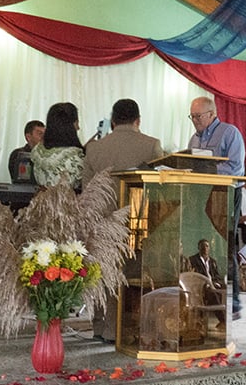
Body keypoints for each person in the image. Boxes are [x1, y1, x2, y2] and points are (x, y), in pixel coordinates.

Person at [82, 98, 163, 343]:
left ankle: (100, 327)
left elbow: (87, 191)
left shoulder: (94, 148)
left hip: (102, 220)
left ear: (113, 121)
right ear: (138, 120)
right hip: (137, 219)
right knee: (130, 275)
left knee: (101, 273)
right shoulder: (152, 145)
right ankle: (124, 328)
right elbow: (159, 189)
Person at [187, 96, 245, 320]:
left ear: (212, 114)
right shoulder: (194, 139)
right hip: (202, 195)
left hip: (227, 195)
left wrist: (208, 171)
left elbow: (236, 168)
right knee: (204, 245)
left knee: (225, 247)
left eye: (198, 116)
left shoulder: (230, 133)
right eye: (192, 116)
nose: (195, 120)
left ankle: (234, 302)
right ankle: (207, 297)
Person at [30, 102, 84, 190]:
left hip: (42, 202)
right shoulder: (74, 157)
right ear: (70, 126)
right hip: (67, 202)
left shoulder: (37, 152)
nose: (78, 128)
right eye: (77, 123)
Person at [188, 239, 226, 328]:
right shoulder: (193, 260)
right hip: (201, 286)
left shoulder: (212, 261)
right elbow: (193, 275)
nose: (205, 248)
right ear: (199, 247)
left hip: (213, 285)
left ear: (209, 248)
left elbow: (216, 276)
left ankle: (222, 319)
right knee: (212, 293)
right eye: (203, 246)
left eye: (207, 246)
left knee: (222, 290)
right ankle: (223, 320)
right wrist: (206, 284)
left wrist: (216, 283)